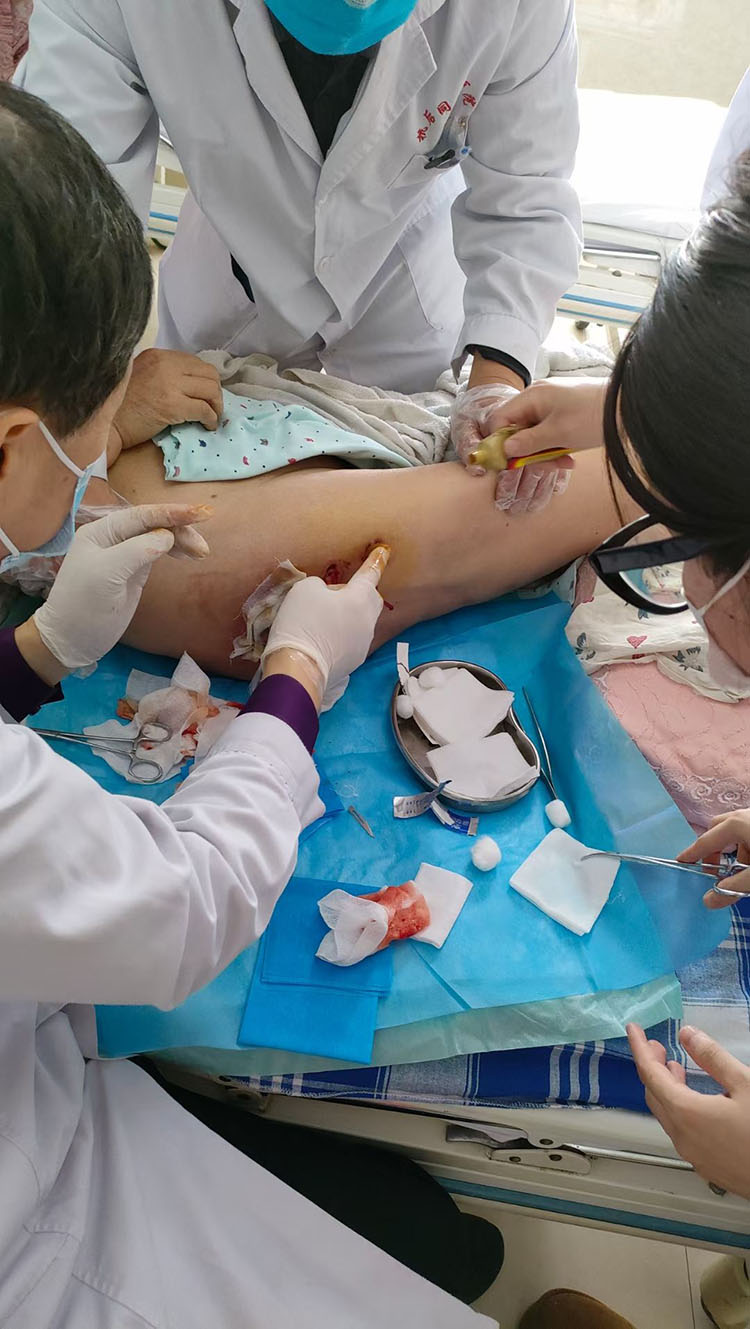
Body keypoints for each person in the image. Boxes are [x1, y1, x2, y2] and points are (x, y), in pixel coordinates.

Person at [0, 81, 519, 1328]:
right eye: (90, 447)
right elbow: (182, 910)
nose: (100, 471)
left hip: (42, 1080)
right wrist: (294, 684)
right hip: (34, 1235)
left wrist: (32, 657)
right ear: (12, 445)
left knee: (434, 1233)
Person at [16, 0, 582, 467]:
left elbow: (527, 194)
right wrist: (100, 402)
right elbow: (62, 215)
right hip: (232, 287)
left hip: (405, 292)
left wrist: (497, 376)